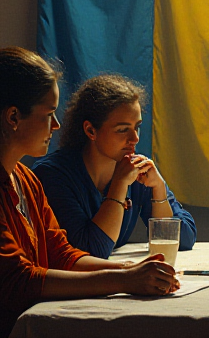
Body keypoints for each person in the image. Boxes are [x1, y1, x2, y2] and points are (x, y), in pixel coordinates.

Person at [0, 47, 179, 338]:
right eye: (49, 114)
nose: (57, 125)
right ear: (13, 117)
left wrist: (129, 269)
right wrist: (124, 280)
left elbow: (61, 255)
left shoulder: (24, 178)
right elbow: (15, 281)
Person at [34, 74, 196, 259]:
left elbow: (185, 238)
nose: (135, 138)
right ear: (90, 130)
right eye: (122, 130)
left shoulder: (135, 170)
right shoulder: (53, 175)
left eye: (137, 127)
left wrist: (158, 189)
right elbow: (90, 251)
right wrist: (118, 186)